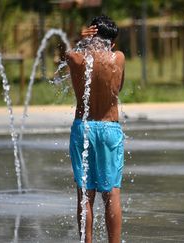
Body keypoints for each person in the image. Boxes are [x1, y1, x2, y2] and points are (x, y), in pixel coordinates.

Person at [67, 15, 125, 243]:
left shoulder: (77, 59)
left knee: (85, 195)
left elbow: (67, 54)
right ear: (112, 42)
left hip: (83, 129)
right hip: (109, 129)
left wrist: (79, 41)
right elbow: (118, 87)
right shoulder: (118, 58)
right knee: (111, 193)